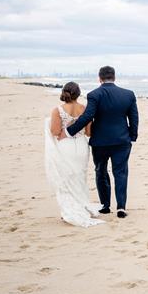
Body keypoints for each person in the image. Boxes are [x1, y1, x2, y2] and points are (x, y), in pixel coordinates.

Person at [63, 66, 138, 219]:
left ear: (100, 78)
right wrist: (132, 136)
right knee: (121, 172)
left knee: (101, 171)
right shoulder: (128, 94)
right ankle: (121, 207)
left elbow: (87, 117)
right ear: (114, 77)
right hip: (122, 140)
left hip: (100, 141)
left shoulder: (94, 95)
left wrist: (69, 131)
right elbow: (134, 118)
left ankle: (105, 206)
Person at [44, 82, 104, 227]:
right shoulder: (84, 108)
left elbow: (55, 132)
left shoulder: (57, 110)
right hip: (82, 147)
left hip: (66, 147)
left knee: (66, 179)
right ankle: (82, 205)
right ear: (78, 94)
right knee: (80, 177)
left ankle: (70, 210)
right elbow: (89, 132)